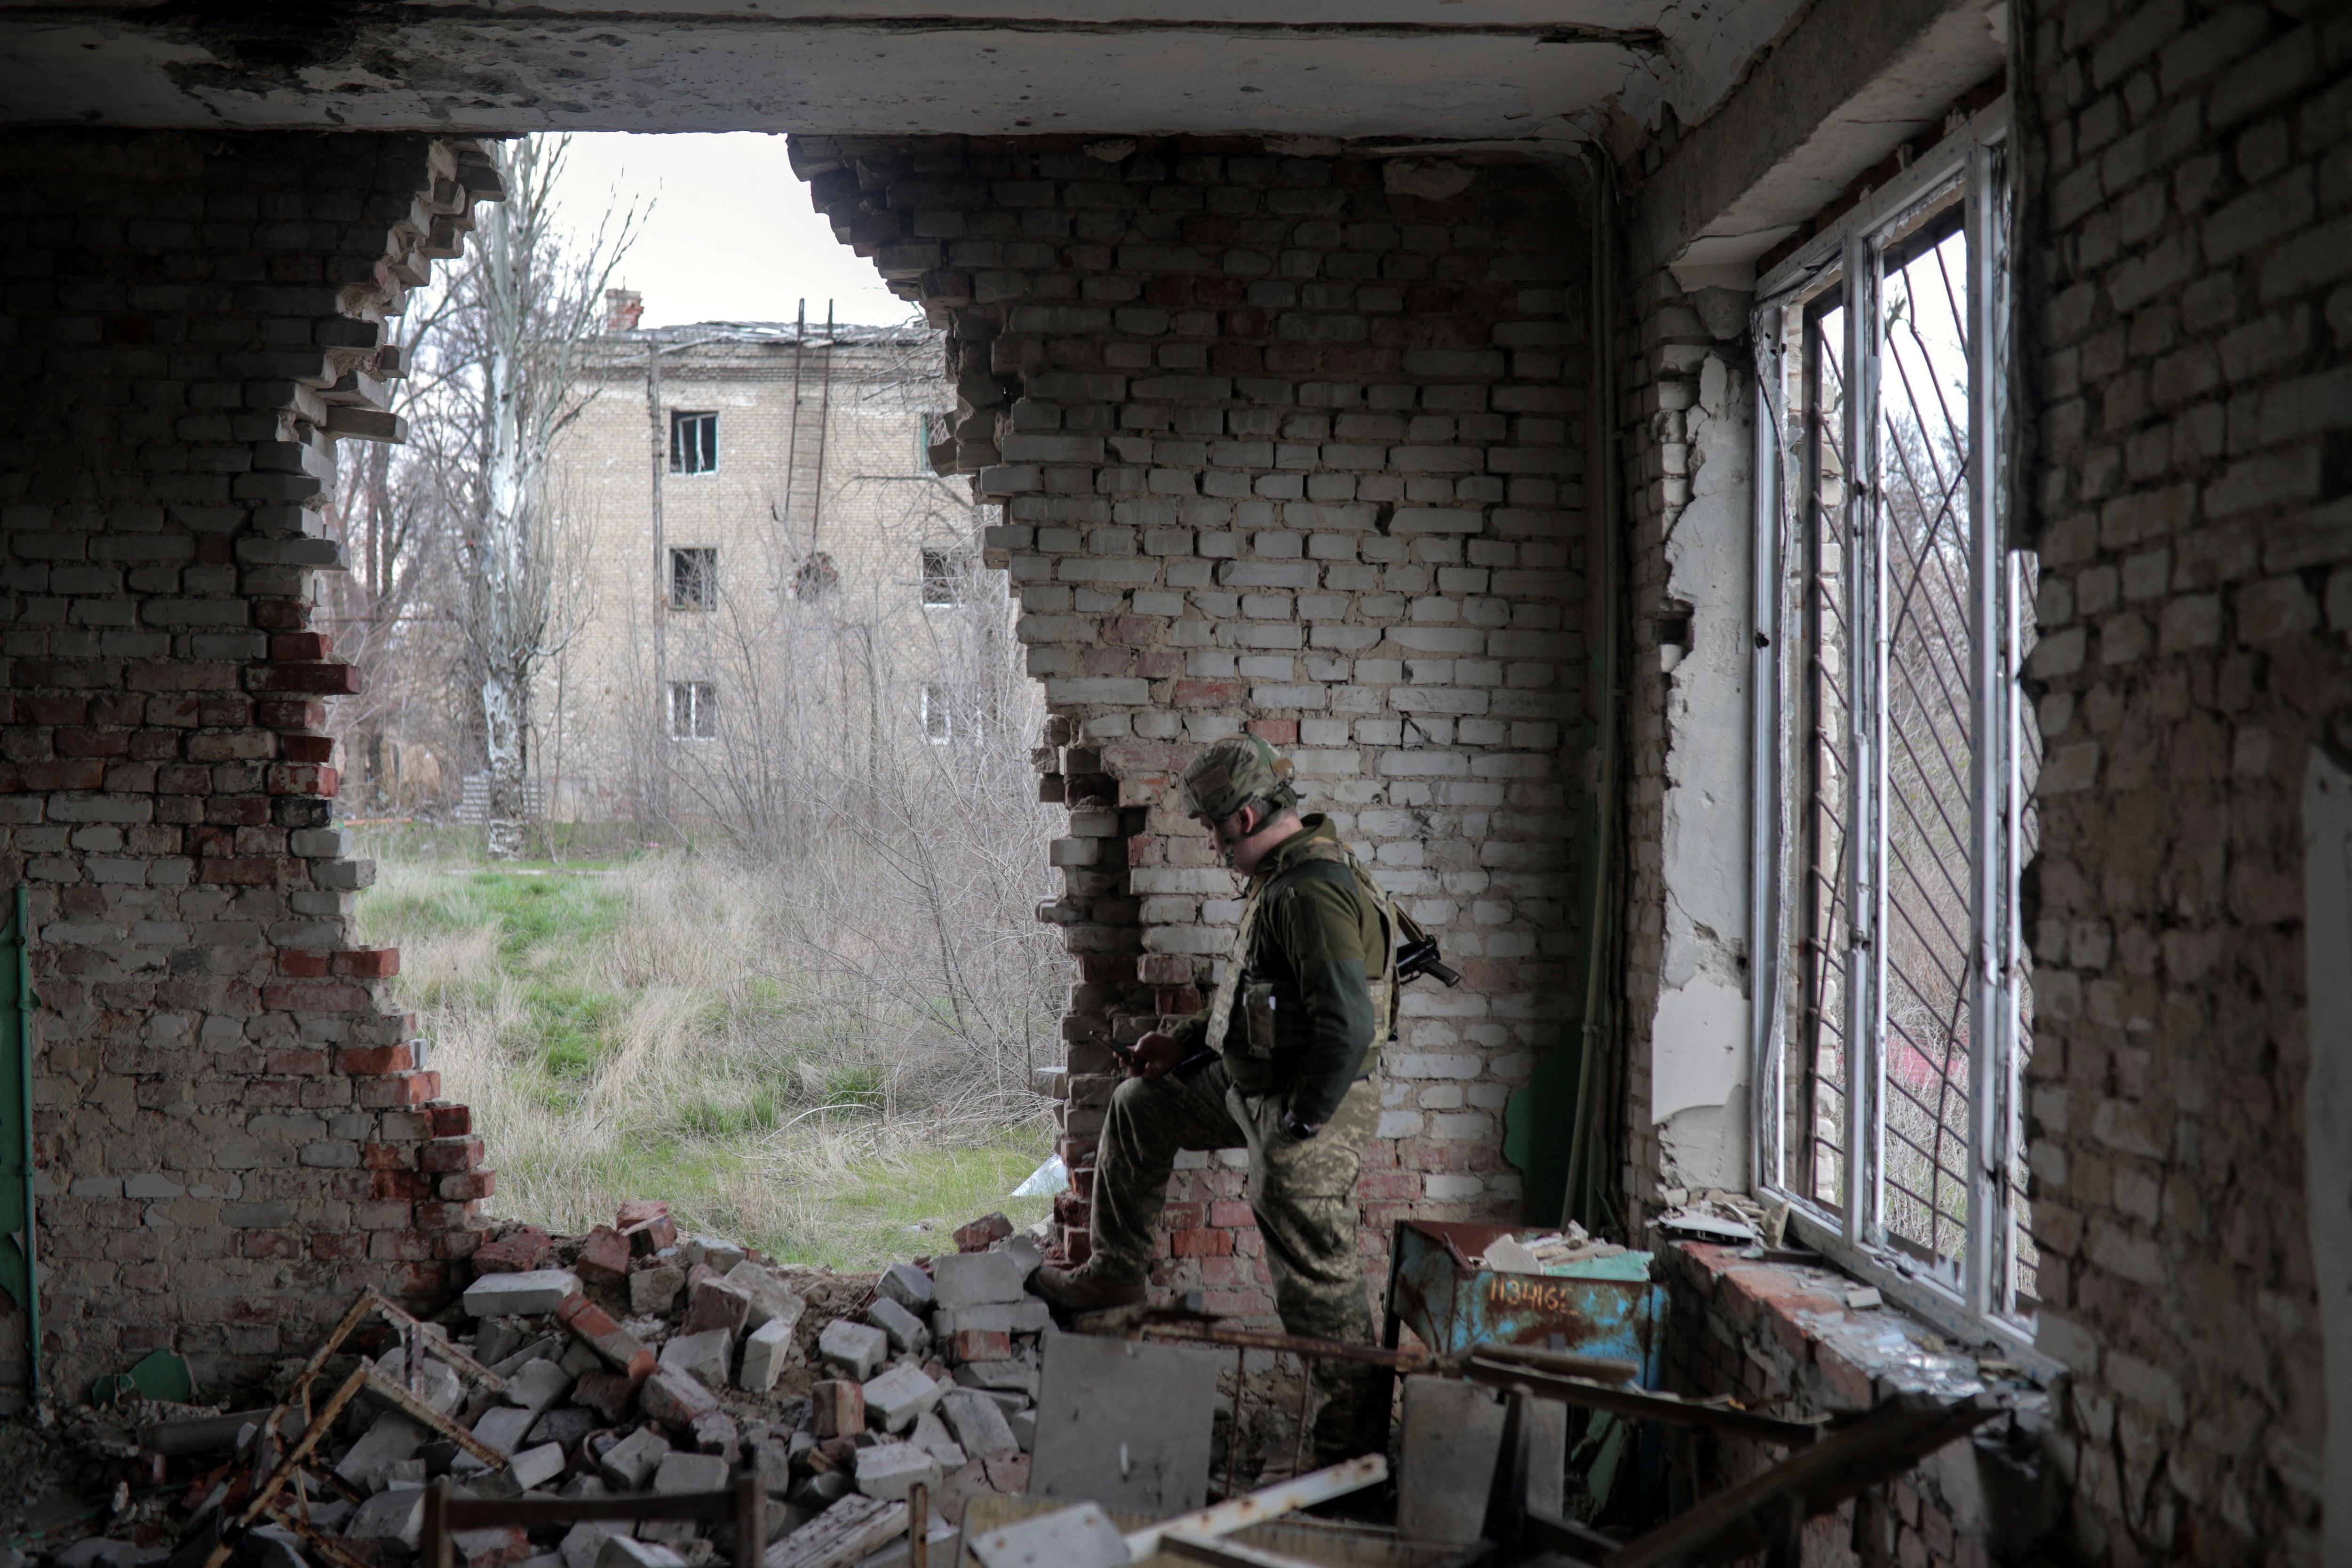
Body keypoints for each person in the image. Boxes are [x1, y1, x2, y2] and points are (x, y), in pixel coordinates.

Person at [1030, 734, 1395, 1462]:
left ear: (1250, 814)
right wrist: (1183, 1045)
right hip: (1253, 1083)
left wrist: (1302, 1123)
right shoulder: (1280, 881)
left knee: (1318, 1283)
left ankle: (1348, 1460)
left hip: (1305, 1103)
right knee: (1142, 1102)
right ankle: (1115, 1275)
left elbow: (1349, 1026)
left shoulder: (1313, 891)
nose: (1212, 842)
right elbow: (1257, 1003)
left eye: (1214, 826)